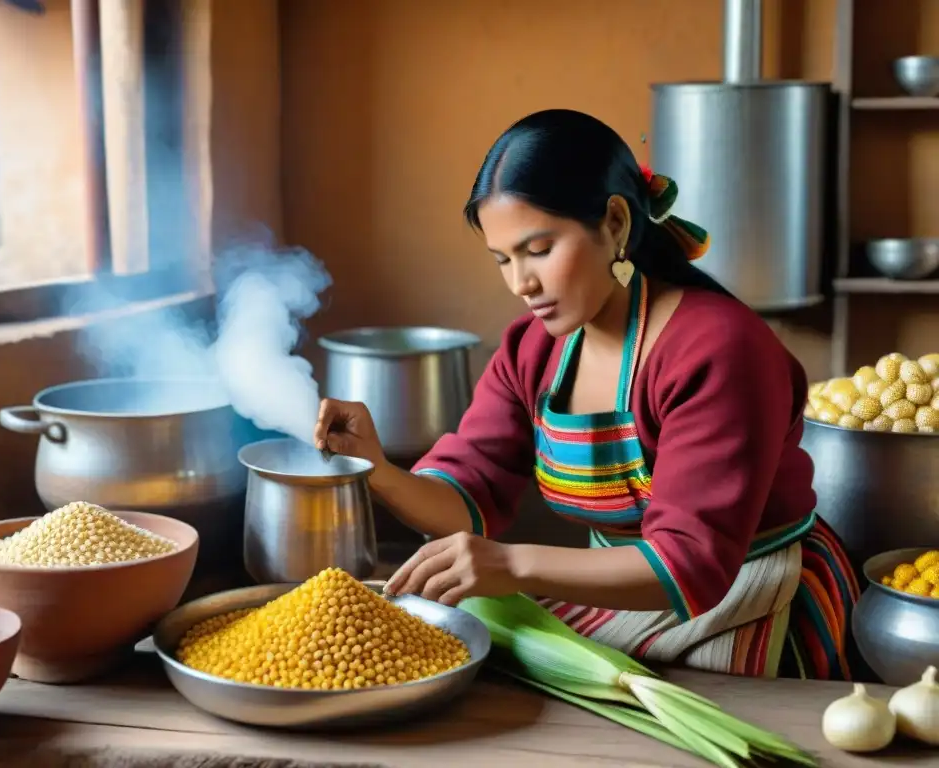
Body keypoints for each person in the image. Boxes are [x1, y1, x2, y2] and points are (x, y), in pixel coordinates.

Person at [313, 108, 858, 681]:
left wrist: (511, 563)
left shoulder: (720, 350)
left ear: (616, 224)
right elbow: (468, 493)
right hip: (617, 595)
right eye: (503, 259)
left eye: (539, 249)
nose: (521, 283)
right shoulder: (532, 350)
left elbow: (689, 564)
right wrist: (375, 469)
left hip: (753, 599)